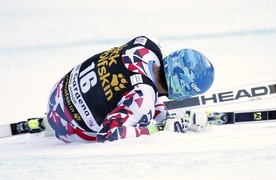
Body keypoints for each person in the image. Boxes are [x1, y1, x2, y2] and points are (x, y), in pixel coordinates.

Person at [46, 36, 214, 143]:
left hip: (58, 92)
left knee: (137, 102)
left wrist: (165, 116)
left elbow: (137, 83)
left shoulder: (149, 44)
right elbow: (108, 135)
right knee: (143, 120)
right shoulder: (144, 97)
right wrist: (159, 129)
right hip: (68, 129)